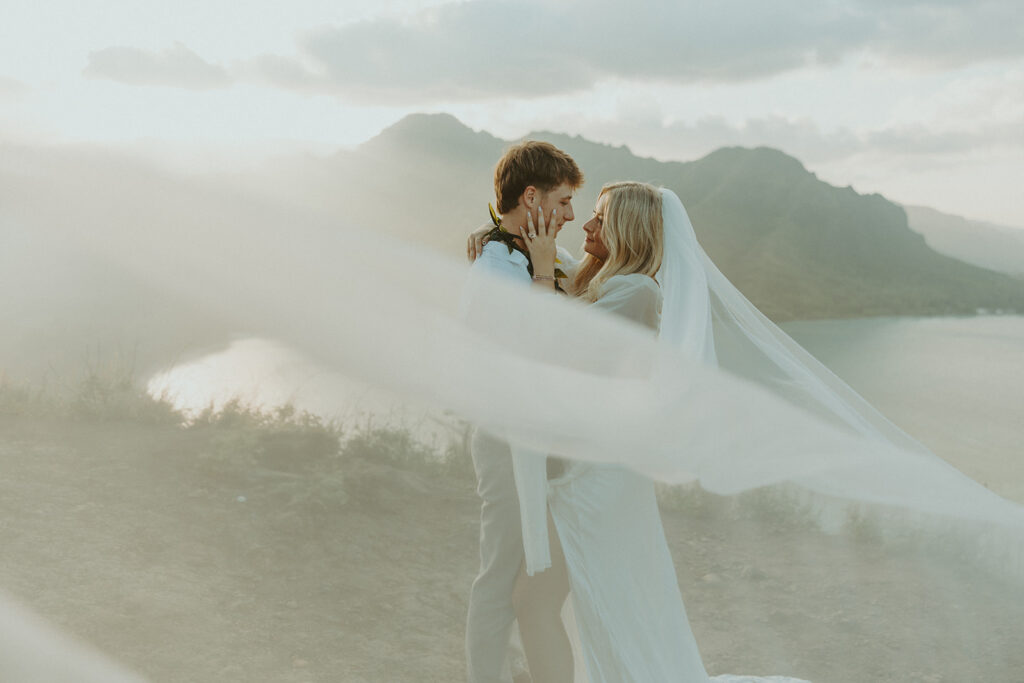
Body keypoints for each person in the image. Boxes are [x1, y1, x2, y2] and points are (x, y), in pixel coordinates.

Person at [462, 140, 583, 683]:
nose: (571, 215)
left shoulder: (536, 255)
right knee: (500, 575)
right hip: (506, 441)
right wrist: (539, 275)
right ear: (530, 196)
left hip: (542, 440)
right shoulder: (496, 266)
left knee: (535, 574)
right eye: (561, 202)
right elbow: (529, 355)